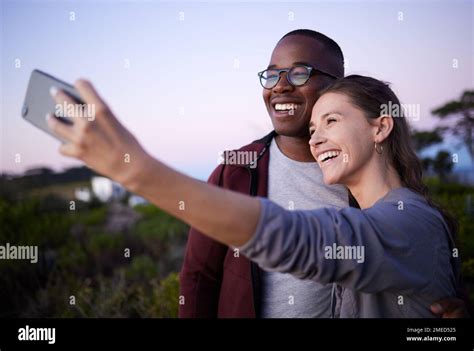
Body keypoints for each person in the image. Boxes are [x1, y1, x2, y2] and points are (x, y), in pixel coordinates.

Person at [46, 72, 468, 317]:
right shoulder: (385, 212)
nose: (317, 139)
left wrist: (137, 169)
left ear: (380, 127)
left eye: (332, 121)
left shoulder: (407, 218)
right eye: (313, 128)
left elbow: (296, 240)